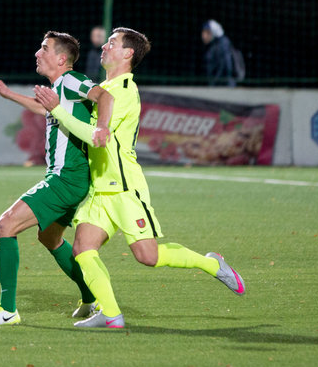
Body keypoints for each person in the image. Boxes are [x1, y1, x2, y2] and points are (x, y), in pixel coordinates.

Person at [34, 27, 245, 329]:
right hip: (98, 189)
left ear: (128, 54)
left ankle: (212, 263)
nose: (105, 46)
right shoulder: (102, 88)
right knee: (82, 249)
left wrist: (59, 111)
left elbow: (97, 139)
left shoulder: (122, 91)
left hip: (123, 187)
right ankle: (110, 313)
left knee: (147, 256)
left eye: (112, 43)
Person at [0, 30, 115, 326]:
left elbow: (104, 95)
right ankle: (91, 299)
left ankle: (8, 310)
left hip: (65, 179)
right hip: (70, 179)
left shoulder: (72, 80)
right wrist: (9, 93)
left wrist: (101, 127)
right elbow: (44, 109)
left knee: (5, 225)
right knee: (50, 237)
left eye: (44, 48)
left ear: (61, 59)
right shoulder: (60, 89)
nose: (38, 53)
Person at [201, 19, 235, 87]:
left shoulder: (223, 45)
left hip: (223, 88)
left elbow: (226, 68)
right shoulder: (212, 46)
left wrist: (214, 85)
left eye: (207, 32)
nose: (203, 36)